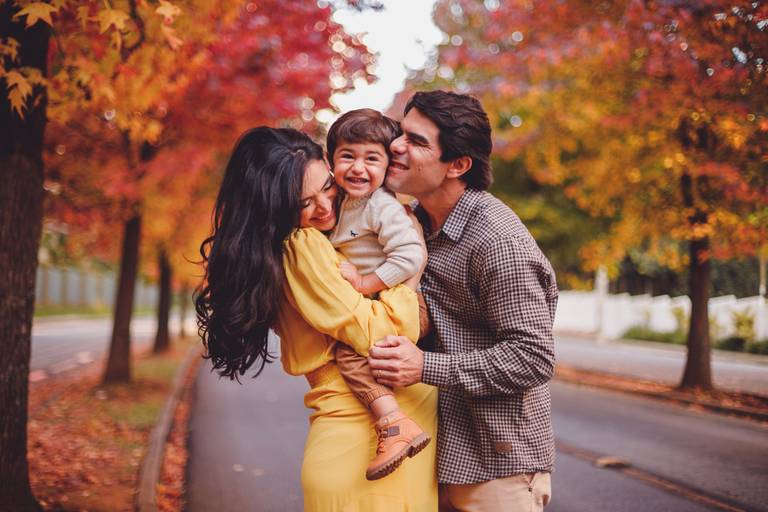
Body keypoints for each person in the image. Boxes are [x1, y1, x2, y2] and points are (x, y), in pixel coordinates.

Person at [195, 127, 438, 511]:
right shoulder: (302, 245)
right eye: (303, 202)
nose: (325, 206)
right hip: (364, 427)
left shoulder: (306, 246)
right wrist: (411, 273)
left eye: (327, 187)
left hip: (380, 427)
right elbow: (380, 332)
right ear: (274, 208)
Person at [368, 90, 558, 511]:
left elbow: (534, 357)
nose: (396, 145)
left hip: (497, 464)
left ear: (457, 165)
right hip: (437, 455)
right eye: (400, 132)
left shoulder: (497, 241)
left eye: (416, 141)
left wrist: (424, 366)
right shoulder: (409, 224)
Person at [326, 108, 431, 481]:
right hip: (381, 305)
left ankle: (393, 425)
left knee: (350, 355)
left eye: (372, 159)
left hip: (401, 305)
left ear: (388, 166)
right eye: (347, 156)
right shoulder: (342, 202)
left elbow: (410, 255)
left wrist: (366, 282)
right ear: (331, 160)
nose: (358, 168)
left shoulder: (381, 205)